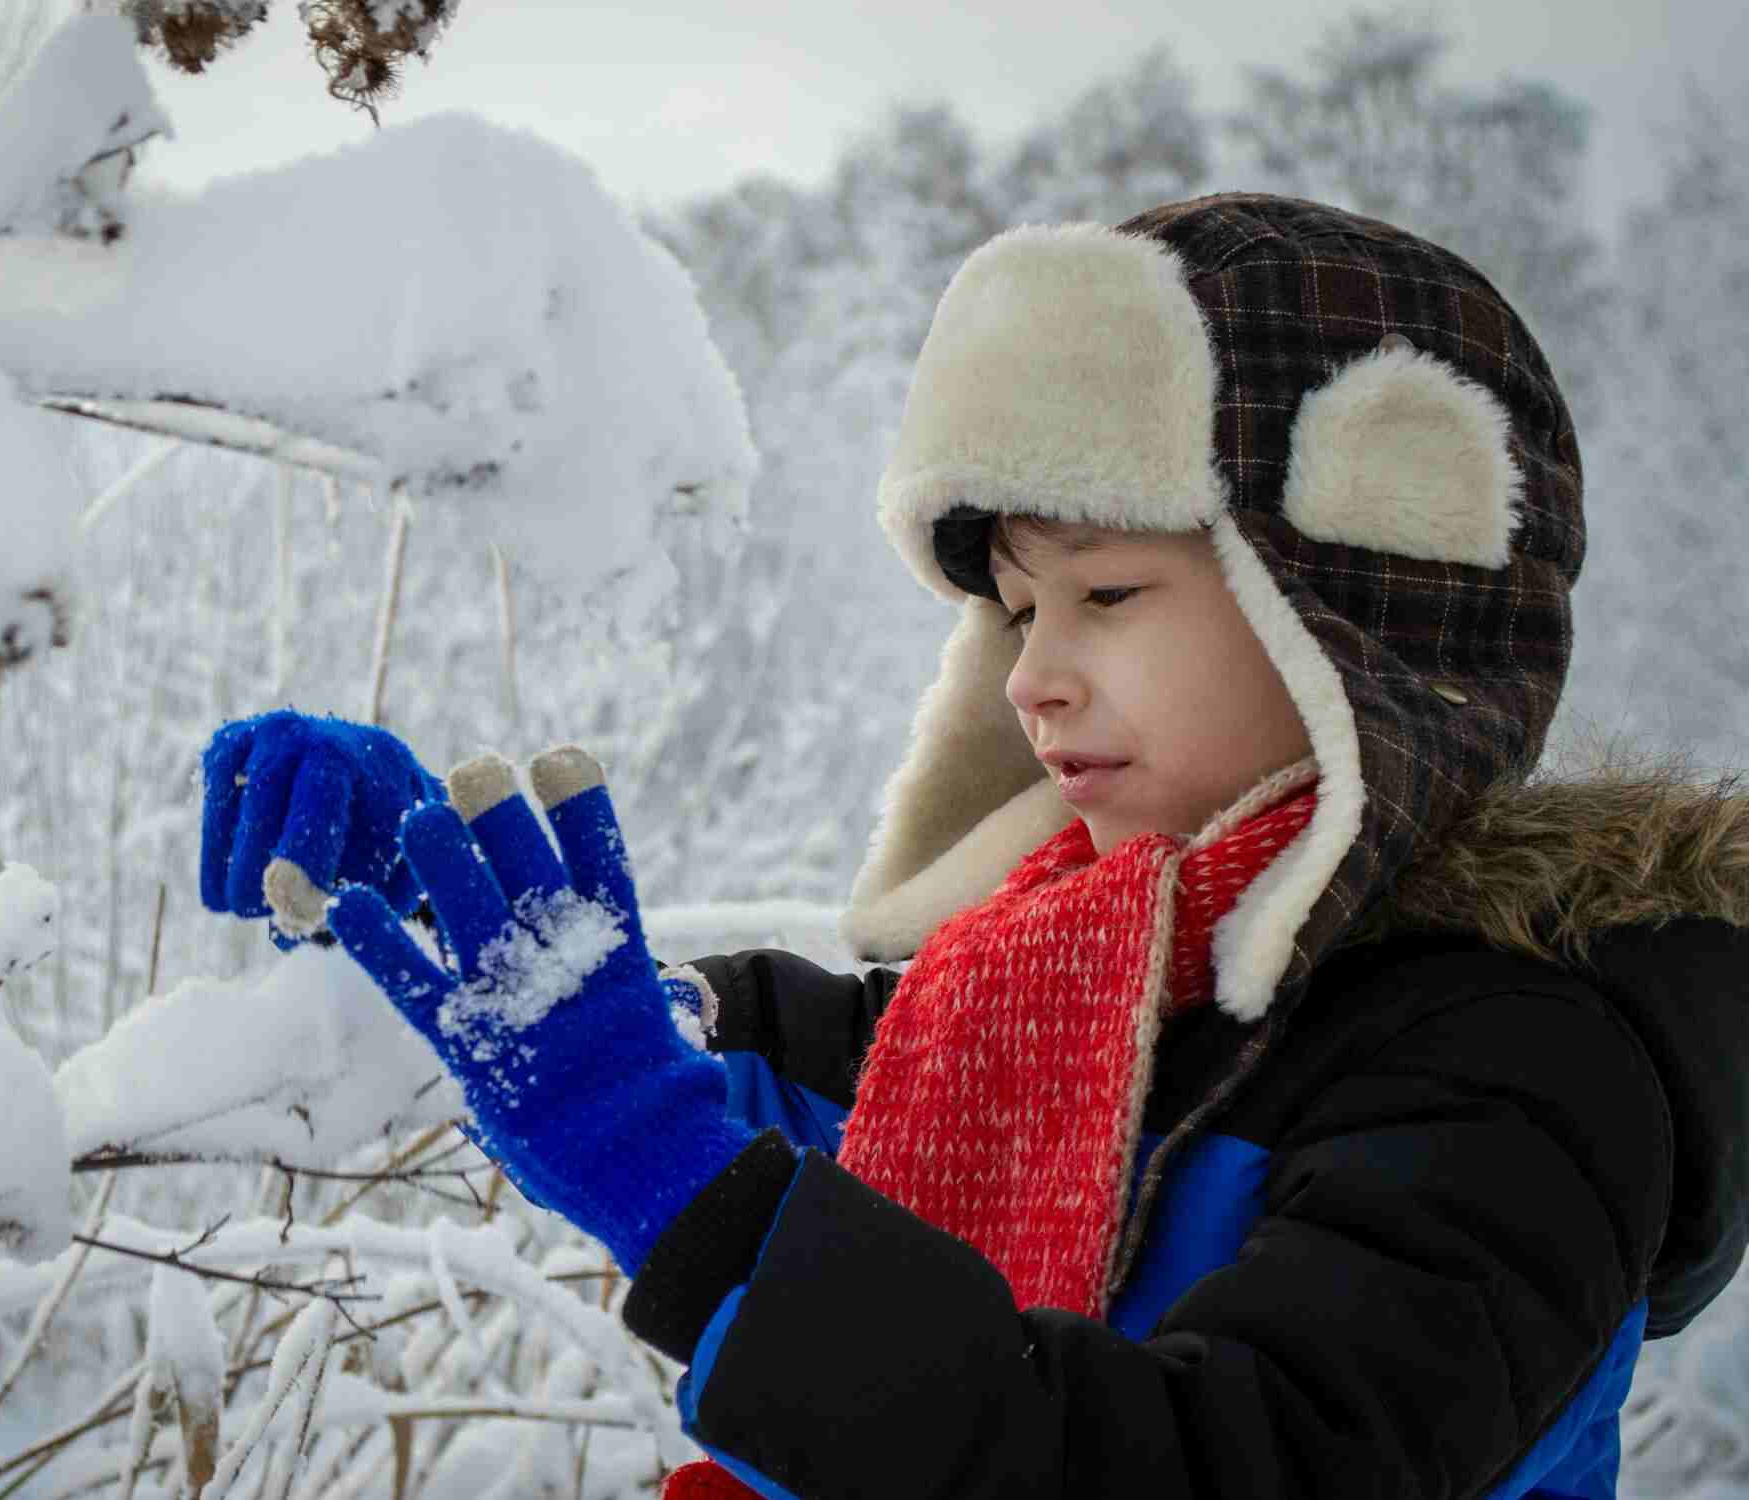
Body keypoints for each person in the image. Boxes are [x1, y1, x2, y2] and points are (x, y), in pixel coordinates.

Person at [198, 193, 1749, 1499]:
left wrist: (698, 1205)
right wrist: (452, 901)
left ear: (1354, 609)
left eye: (1107, 595)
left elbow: (1209, 1466)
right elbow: (768, 1059)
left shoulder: (1524, 1070)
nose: (1031, 677)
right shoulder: (1081, 983)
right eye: (1015, 611)